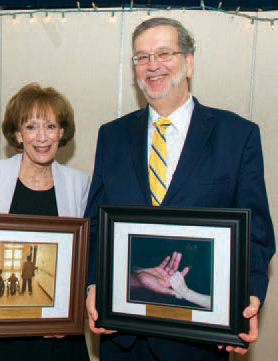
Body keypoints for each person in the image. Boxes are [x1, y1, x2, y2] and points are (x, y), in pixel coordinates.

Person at [85, 17, 275, 361]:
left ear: (188, 62)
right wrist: (93, 286)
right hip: (122, 337)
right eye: (141, 57)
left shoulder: (238, 135)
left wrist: (246, 300)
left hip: (199, 338)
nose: (152, 65)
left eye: (163, 53)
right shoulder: (110, 136)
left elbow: (257, 235)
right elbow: (96, 229)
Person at [0, 83, 90, 361]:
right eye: (31, 127)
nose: (42, 137)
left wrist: (68, 312)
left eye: (51, 126)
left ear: (62, 132)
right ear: (18, 134)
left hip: (55, 332)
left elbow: (80, 258)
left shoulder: (78, 183)